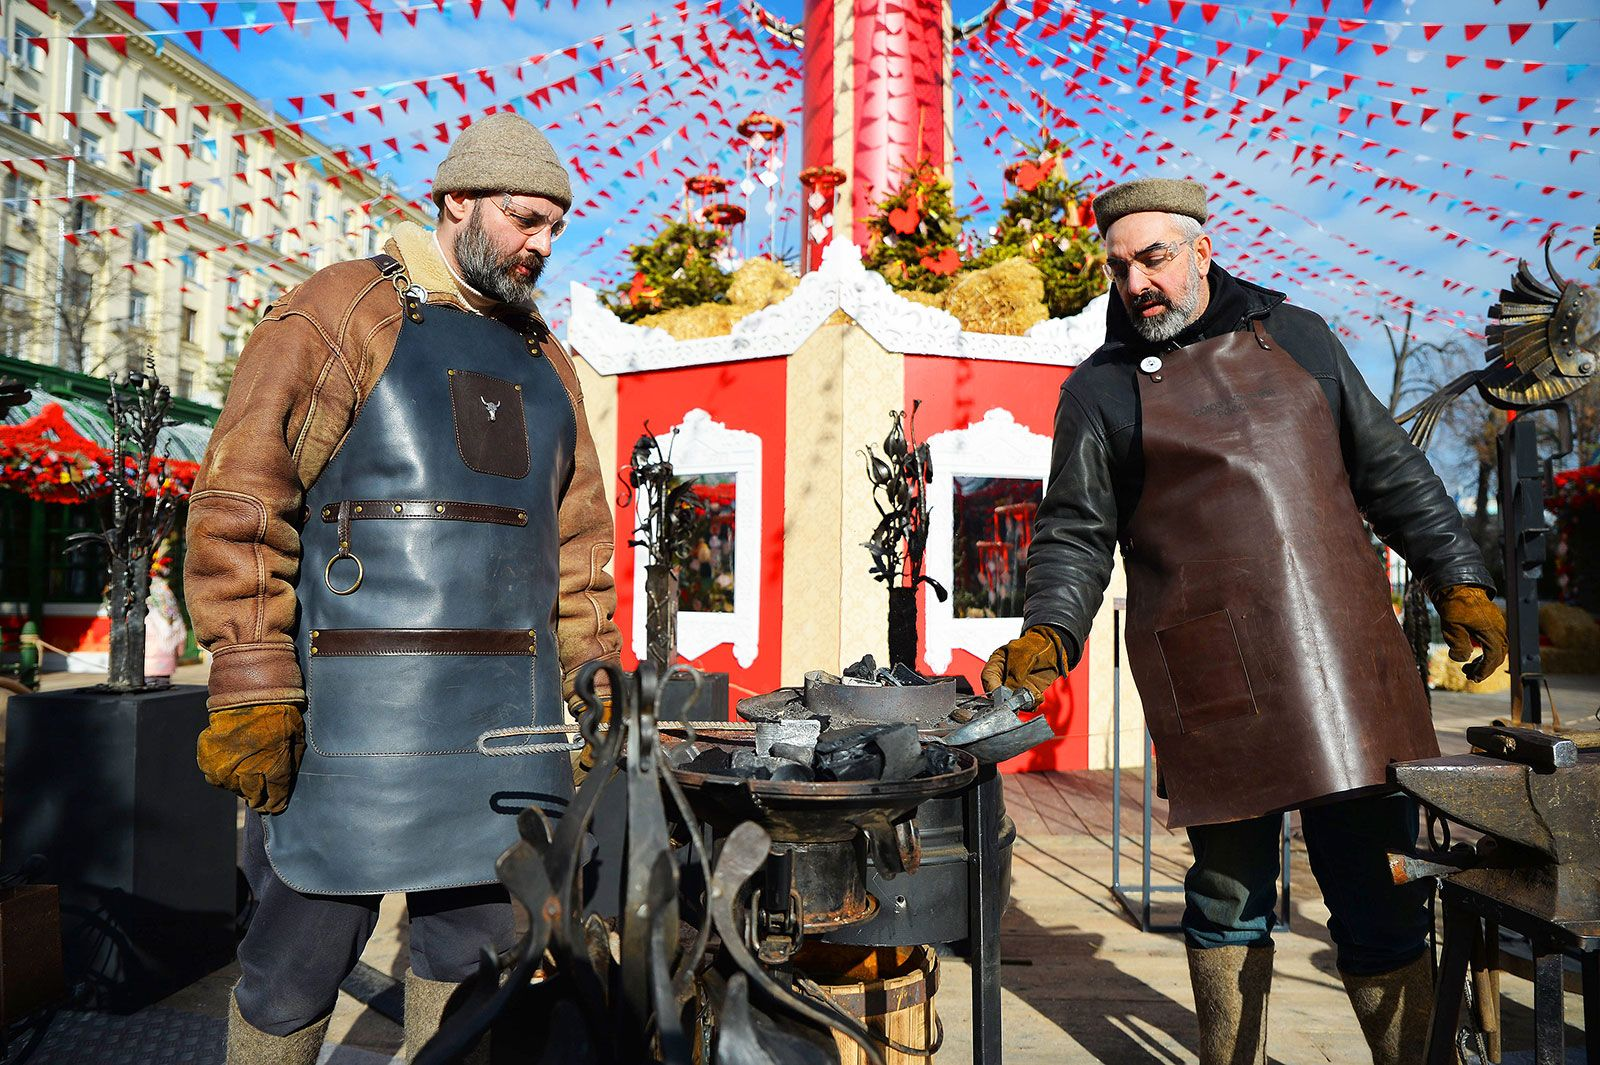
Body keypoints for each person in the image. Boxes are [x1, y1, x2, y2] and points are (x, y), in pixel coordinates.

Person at [982, 177, 1507, 1065]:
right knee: (1228, 899)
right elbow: (1073, 535)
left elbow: (1395, 476)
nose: (1137, 282)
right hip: (1214, 678)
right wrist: (1051, 635)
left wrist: (1458, 578)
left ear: (1201, 250)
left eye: (1153, 257)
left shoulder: (1300, 336)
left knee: (1379, 896)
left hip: (1344, 658)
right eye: (1120, 266)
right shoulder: (1099, 391)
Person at [183, 113, 620, 1064]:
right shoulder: (340, 311)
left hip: (508, 731)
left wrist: (593, 678)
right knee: (293, 965)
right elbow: (242, 500)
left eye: (554, 225)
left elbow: (579, 540)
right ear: (455, 200)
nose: (541, 244)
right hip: (353, 728)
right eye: (523, 218)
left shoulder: (548, 361)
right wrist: (253, 681)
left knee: (475, 957)